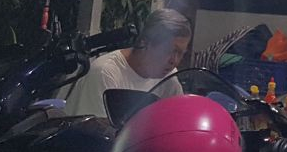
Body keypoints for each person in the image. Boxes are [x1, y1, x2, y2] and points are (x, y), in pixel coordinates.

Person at [64, 9, 192, 118]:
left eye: (181, 53)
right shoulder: (105, 72)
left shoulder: (169, 79)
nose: (174, 61)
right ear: (144, 42)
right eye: (169, 50)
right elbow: (92, 131)